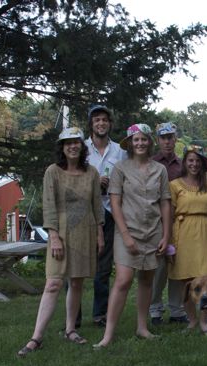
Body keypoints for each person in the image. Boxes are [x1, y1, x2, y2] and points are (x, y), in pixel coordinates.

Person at [18, 127, 104, 356]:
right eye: (68, 143)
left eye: (76, 142)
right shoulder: (53, 172)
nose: (73, 146)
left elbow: (97, 206)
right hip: (61, 234)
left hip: (85, 232)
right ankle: (36, 337)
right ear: (62, 147)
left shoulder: (92, 173)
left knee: (76, 283)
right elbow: (48, 205)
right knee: (53, 283)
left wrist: (100, 234)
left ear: (82, 146)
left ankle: (70, 330)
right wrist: (54, 236)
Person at [94, 124, 171, 348]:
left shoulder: (160, 170)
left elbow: (165, 203)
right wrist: (126, 235)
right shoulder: (120, 168)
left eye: (144, 139)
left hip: (153, 231)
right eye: (136, 140)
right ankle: (108, 335)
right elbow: (115, 203)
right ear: (129, 143)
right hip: (127, 231)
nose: (140, 143)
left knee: (146, 280)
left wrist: (166, 234)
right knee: (123, 280)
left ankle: (142, 327)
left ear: (149, 142)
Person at [168, 145, 207, 333]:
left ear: (203, 163)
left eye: (198, 161)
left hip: (205, 232)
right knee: (185, 280)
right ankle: (192, 320)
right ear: (184, 162)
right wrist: (169, 241)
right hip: (182, 232)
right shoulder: (175, 185)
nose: (194, 164)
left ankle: (204, 321)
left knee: (205, 277)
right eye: (190, 160)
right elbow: (169, 214)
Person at [84, 104, 127, 327]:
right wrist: (94, 182)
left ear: (110, 123)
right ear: (91, 124)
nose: (101, 123)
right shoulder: (81, 148)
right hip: (84, 212)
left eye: (104, 119)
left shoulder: (120, 151)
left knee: (103, 266)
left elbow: (126, 179)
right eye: (96, 120)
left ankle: (100, 315)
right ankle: (74, 318)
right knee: (78, 265)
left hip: (110, 212)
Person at [147, 122, 186, 325]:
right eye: (163, 138)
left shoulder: (182, 165)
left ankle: (176, 309)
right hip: (157, 221)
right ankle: (155, 309)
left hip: (180, 221)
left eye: (170, 137)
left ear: (175, 139)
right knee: (159, 267)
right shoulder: (152, 163)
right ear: (158, 140)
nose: (167, 141)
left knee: (177, 265)